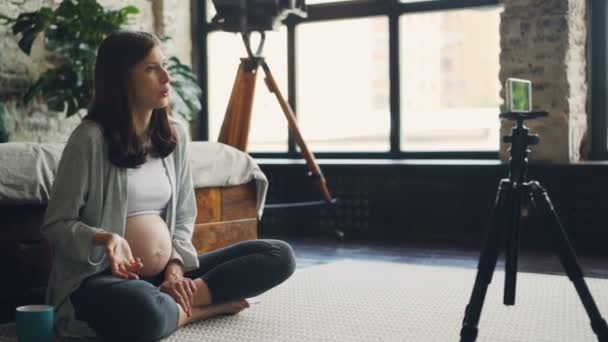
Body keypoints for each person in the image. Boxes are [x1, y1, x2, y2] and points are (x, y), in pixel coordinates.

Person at [41, 30, 296, 341]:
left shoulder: (174, 137)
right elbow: (56, 224)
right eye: (151, 69)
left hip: (167, 275)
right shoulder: (90, 140)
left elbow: (185, 215)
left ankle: (181, 299)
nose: (166, 77)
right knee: (144, 312)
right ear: (122, 79)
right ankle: (200, 309)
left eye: (164, 65)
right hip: (104, 279)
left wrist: (175, 268)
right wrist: (102, 237)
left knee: (278, 254)